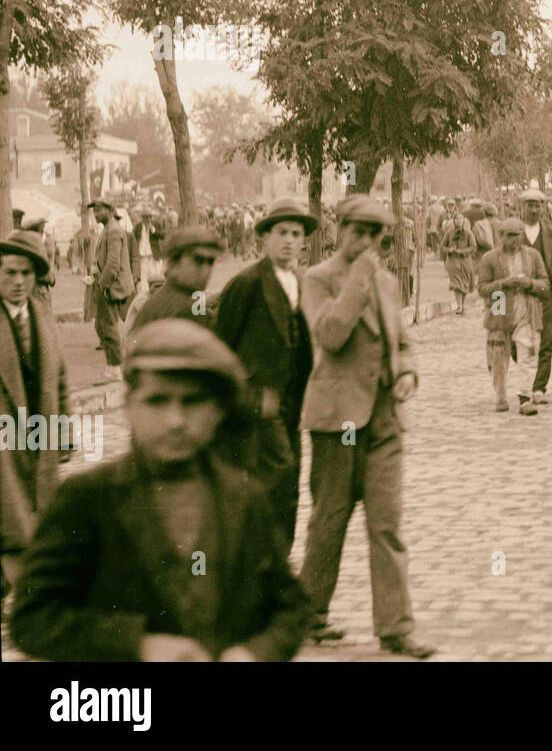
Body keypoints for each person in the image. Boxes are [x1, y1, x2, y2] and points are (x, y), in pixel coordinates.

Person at [9, 319, 310, 661]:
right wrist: (138, 644)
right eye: (157, 401)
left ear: (216, 413)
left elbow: (291, 607)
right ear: (129, 408)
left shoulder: (243, 496)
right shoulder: (88, 498)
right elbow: (33, 618)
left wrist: (254, 653)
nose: (175, 421)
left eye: (193, 402)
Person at [297, 196, 432, 658]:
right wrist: (356, 280)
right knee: (329, 521)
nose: (369, 242)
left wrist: (408, 370)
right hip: (338, 422)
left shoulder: (390, 283)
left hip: (384, 422)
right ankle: (309, 615)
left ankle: (396, 628)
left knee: (387, 524)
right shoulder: (317, 279)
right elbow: (330, 334)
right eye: (359, 230)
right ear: (341, 230)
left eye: (377, 234)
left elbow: (403, 342)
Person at [214, 198, 317, 547]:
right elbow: (222, 345)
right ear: (265, 238)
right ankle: (255, 556)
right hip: (258, 403)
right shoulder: (247, 283)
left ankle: (278, 560)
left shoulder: (301, 282)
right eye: (281, 232)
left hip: (292, 403)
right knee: (276, 471)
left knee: (289, 479)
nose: (289, 240)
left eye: (296, 233)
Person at [0, 231, 68, 605]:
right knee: (12, 525)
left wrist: (65, 436)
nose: (18, 281)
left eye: (26, 273)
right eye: (10, 272)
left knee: (36, 515)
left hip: (39, 439)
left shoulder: (42, 316)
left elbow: (59, 378)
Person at [478, 217, 549, 415]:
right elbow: (482, 288)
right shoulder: (490, 258)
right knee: (499, 356)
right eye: (509, 236)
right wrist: (503, 284)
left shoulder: (533, 256)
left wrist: (530, 284)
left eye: (518, 235)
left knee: (526, 355)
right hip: (500, 306)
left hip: (527, 309)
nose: (514, 240)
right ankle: (500, 396)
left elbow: (545, 284)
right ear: (501, 237)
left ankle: (525, 398)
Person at [518, 189, 552, 407]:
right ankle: (526, 382)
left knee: (546, 343)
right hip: (520, 298)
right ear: (521, 207)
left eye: (537, 205)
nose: (533, 209)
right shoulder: (515, 233)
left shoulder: (551, 234)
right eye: (529, 205)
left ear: (543, 207)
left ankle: (539, 387)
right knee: (519, 343)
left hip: (547, 298)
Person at [127, 227, 222, 336]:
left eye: (210, 262)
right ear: (175, 263)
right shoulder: (180, 308)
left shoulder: (193, 295)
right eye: (198, 260)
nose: (206, 270)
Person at [89, 198, 134, 383]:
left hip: (110, 287)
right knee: (102, 325)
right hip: (106, 284)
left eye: (99, 210)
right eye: (94, 211)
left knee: (107, 325)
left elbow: (113, 263)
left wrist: (102, 284)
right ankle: (111, 366)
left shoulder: (114, 231)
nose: (96, 214)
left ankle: (115, 370)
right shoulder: (108, 229)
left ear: (109, 210)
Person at [440, 201, 477, 315]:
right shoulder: (449, 233)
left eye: (460, 219)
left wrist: (462, 251)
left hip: (465, 262)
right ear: (453, 221)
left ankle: (462, 303)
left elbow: (473, 247)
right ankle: (459, 306)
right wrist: (449, 250)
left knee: (464, 285)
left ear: (463, 220)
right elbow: (442, 247)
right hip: (453, 262)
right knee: (456, 284)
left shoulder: (469, 233)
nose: (458, 221)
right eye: (456, 219)